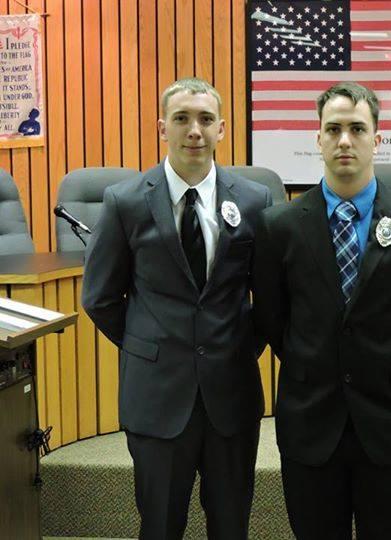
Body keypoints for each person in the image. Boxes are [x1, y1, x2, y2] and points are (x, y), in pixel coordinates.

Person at [252, 81, 391, 540]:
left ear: (376, 139)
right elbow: (272, 318)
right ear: (318, 138)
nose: (345, 140)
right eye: (334, 129)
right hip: (310, 423)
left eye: (357, 129)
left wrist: (387, 365)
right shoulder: (278, 226)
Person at [82, 77, 271, 539]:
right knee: (161, 525)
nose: (195, 131)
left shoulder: (253, 200)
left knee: (231, 526)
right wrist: (149, 343)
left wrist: (237, 345)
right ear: (162, 126)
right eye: (183, 119)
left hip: (231, 393)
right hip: (157, 396)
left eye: (206, 120)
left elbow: (269, 299)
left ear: (222, 129)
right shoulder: (125, 201)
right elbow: (101, 297)